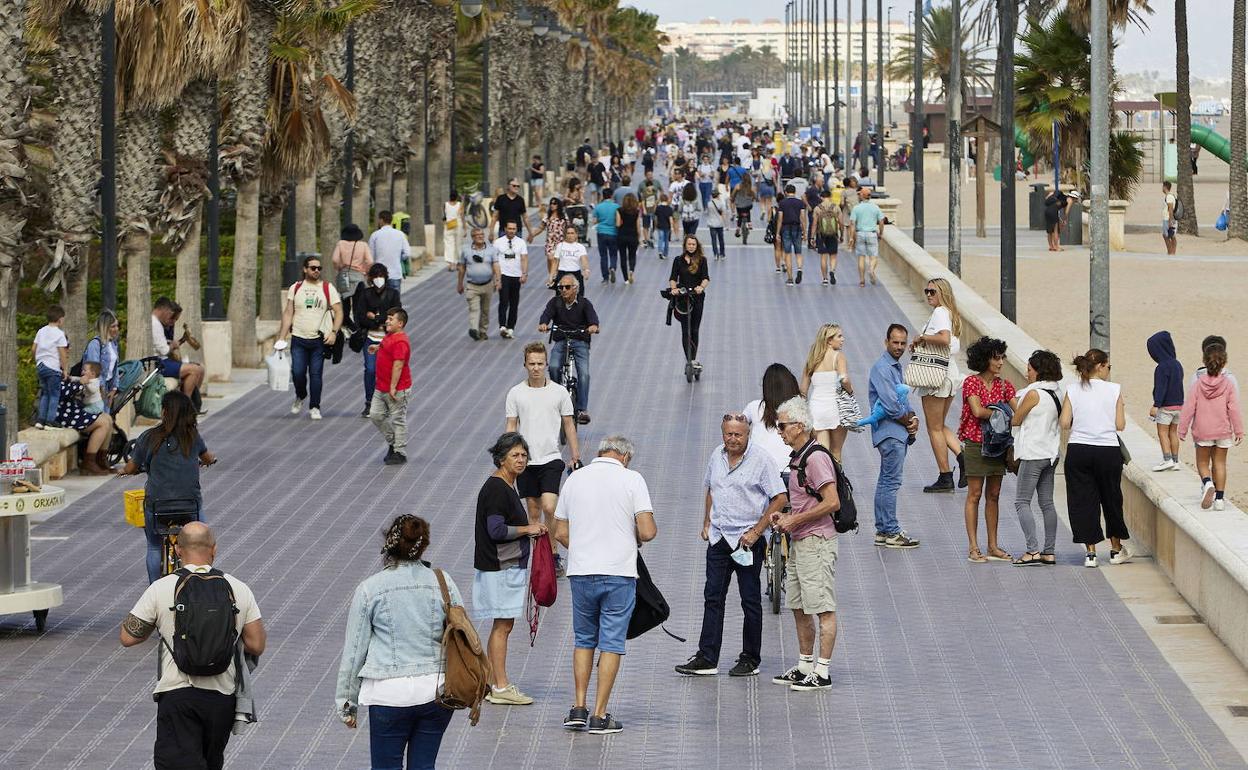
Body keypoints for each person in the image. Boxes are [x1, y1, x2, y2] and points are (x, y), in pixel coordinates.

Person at [121, 522, 264, 770]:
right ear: (214, 549)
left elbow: (128, 637)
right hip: (222, 696)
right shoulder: (238, 588)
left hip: (178, 693)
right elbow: (257, 644)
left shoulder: (161, 588)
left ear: (177, 550)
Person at [335, 515, 459, 769]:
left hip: (388, 695)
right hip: (436, 691)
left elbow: (354, 651)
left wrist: (347, 703)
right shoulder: (443, 582)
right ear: (423, 545)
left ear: (390, 543)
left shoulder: (370, 589)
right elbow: (461, 635)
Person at [554, 436, 657, 735]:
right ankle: (599, 715)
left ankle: (578, 707)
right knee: (611, 641)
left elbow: (559, 530)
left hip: (582, 572)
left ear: (600, 452)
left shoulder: (575, 479)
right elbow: (648, 531)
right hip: (618, 574)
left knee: (584, 638)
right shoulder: (632, 479)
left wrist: (586, 547)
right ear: (625, 457)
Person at [675, 413, 786, 678]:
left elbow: (780, 497)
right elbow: (711, 489)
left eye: (738, 434)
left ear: (748, 435)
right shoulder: (717, 455)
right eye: (729, 434)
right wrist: (706, 522)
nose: (733, 439)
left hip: (747, 541)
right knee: (712, 597)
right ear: (722, 433)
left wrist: (758, 531)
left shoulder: (761, 460)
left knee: (750, 601)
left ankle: (750, 658)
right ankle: (707, 656)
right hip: (719, 539)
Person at [769, 397, 840, 692]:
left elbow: (832, 502)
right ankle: (804, 666)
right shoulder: (798, 457)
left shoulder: (816, 458)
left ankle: (822, 671)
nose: (779, 431)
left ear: (799, 426)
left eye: (782, 425)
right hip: (800, 540)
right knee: (798, 605)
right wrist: (786, 517)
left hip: (817, 541)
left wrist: (795, 521)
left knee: (822, 606)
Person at [474, 433, 548, 706]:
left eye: (524, 455)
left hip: (503, 565)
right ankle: (501, 686)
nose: (521, 460)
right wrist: (527, 528)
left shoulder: (506, 485)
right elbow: (495, 530)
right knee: (503, 626)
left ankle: (495, 682)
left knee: (501, 624)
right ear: (501, 458)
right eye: (515, 455)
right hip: (501, 565)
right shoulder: (497, 488)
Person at [123, 391, 217, 583]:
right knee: (204, 537)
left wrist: (127, 471)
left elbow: (130, 467)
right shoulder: (192, 437)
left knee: (154, 546)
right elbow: (208, 457)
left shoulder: (149, 437)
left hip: (158, 507)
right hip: (190, 506)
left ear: (164, 411)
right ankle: (202, 579)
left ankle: (154, 590)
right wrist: (210, 460)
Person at [506, 342, 582, 578]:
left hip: (551, 458)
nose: (536, 368)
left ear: (547, 364)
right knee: (534, 511)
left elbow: (569, 424)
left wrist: (575, 455)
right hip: (526, 461)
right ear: (525, 365)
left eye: (540, 363)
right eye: (532, 364)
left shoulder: (559, 392)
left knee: (550, 506)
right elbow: (511, 426)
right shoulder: (516, 393)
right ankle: (542, 558)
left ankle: (554, 552)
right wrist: (506, 458)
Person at [1061, 349, 1130, 568]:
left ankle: (1090, 553)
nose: (1109, 371)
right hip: (1107, 450)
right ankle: (1115, 549)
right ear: (1100, 366)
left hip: (1078, 449)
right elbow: (1120, 425)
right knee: (1111, 498)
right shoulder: (1114, 389)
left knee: (1083, 500)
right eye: (1108, 366)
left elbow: (1064, 422)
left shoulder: (1072, 389)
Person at [957, 336, 1017, 563]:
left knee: (994, 495)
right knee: (974, 494)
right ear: (985, 360)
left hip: (997, 445)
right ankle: (973, 547)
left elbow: (1018, 410)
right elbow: (977, 411)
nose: (1001, 363)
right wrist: (1002, 413)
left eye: (1002, 357)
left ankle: (992, 545)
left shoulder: (1005, 385)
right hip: (975, 443)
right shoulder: (972, 382)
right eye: (996, 358)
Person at [868, 324, 922, 548]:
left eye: (902, 343)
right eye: (895, 342)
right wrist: (908, 420)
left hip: (893, 433)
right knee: (891, 482)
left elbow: (901, 399)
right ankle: (891, 531)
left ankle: (882, 530)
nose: (899, 347)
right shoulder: (882, 368)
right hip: (891, 435)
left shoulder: (894, 367)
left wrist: (913, 417)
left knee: (885, 481)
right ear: (886, 341)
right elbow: (891, 405)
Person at [1010, 350, 1063, 566]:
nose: (1027, 373)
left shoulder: (1033, 394)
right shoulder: (1058, 392)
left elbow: (1016, 420)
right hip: (1051, 453)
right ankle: (1049, 551)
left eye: (1030, 369)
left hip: (1033, 453)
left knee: (1022, 502)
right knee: (1047, 503)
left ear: (1039, 371)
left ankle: (1032, 550)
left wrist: (1012, 401)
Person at [913, 278, 966, 492]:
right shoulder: (950, 314)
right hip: (948, 372)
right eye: (926, 291)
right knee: (940, 425)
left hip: (936, 374)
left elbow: (943, 339)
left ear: (942, 292)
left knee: (933, 427)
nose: (928, 295)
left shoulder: (940, 313)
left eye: (932, 291)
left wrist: (921, 337)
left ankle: (945, 475)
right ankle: (963, 460)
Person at [275, 255, 343, 420]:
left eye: (319, 268)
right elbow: (288, 312)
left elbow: (339, 311)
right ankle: (301, 395)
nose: (316, 271)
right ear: (305, 269)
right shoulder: (296, 288)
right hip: (298, 338)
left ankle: (315, 406)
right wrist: (282, 337)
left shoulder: (327, 288)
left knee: (316, 374)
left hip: (318, 340)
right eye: (313, 268)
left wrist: (334, 332)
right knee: (297, 372)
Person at [1179, 343, 1243, 511]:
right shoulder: (1228, 384)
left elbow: (1188, 408)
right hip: (1223, 430)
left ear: (1204, 361)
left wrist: (1182, 429)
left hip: (1203, 431)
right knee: (1220, 463)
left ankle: (1207, 483)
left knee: (1202, 463)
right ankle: (1220, 500)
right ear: (1224, 363)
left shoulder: (1198, 384)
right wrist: (1239, 430)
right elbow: (1234, 408)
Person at [539, 279, 600, 424]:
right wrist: (543, 324)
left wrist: (593, 326)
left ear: (575, 288)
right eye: (561, 287)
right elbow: (546, 314)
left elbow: (593, 319)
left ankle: (582, 410)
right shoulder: (555, 302)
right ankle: (556, 400)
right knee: (553, 367)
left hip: (580, 341)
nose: (563, 290)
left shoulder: (584, 303)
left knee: (584, 374)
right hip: (561, 340)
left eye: (567, 287)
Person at [354, 263, 402, 417]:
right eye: (375, 276)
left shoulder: (393, 294)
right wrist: (380, 320)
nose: (378, 279)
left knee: (387, 372)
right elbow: (360, 317)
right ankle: (369, 403)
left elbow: (396, 316)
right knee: (370, 370)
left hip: (389, 340)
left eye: (381, 276)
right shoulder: (365, 294)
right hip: (370, 338)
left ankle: (387, 403)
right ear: (370, 278)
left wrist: (374, 317)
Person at [801, 323, 854, 460]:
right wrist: (850, 391)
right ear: (829, 340)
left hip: (817, 409)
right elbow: (844, 379)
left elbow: (803, 391)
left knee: (822, 453)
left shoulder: (812, 360)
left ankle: (823, 478)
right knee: (836, 452)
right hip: (835, 409)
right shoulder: (838, 356)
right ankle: (837, 480)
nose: (843, 339)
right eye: (839, 336)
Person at [366, 308, 412, 466]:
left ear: (400, 323)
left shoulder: (401, 341)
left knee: (398, 419)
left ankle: (400, 452)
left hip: (397, 389)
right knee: (375, 415)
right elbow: (387, 348)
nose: (387, 321)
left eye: (391, 319)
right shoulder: (390, 336)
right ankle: (393, 442)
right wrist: (377, 348)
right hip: (381, 386)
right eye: (388, 318)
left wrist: (393, 387)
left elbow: (398, 365)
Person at [744, 363, 803, 479]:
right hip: (792, 471)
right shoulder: (800, 408)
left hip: (761, 472)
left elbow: (737, 427)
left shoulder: (754, 407)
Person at [152, 297, 206, 401]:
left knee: (200, 369)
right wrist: (173, 345)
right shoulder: (155, 324)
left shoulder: (159, 324)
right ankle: (186, 406)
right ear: (163, 310)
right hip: (160, 363)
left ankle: (193, 403)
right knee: (195, 370)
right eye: (169, 314)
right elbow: (165, 350)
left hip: (164, 361)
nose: (172, 320)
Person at [669, 235, 710, 372]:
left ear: (696, 246)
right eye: (689, 244)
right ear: (685, 245)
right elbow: (673, 277)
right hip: (683, 299)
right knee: (685, 330)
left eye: (693, 244)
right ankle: (689, 360)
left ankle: (693, 357)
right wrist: (674, 289)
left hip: (697, 298)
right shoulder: (678, 260)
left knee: (694, 329)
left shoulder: (702, 260)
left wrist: (701, 287)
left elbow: (705, 278)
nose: (691, 246)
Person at [1147, 331, 1186, 471]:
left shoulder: (1161, 367)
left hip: (1166, 407)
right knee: (1173, 433)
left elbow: (1161, 388)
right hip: (1179, 406)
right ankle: (1176, 461)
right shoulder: (1177, 364)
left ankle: (1167, 459)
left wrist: (1156, 405)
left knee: (1162, 432)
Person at [456, 227, 501, 342]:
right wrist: (460, 283)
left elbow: (496, 265)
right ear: (472, 238)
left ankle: (483, 331)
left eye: (481, 234)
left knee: (485, 310)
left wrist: (498, 280)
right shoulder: (466, 250)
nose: (480, 237)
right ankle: (474, 329)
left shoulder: (491, 250)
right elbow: (461, 268)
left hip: (488, 284)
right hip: (472, 285)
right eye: (477, 235)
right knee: (474, 308)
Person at [33, 305, 69, 429]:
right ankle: (50, 420)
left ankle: (40, 420)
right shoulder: (60, 334)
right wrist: (65, 369)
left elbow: (33, 349)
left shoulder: (41, 331)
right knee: (54, 394)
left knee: (45, 393)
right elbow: (62, 353)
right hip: (53, 367)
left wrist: (38, 360)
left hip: (41, 366)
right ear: (59, 319)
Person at [493, 220, 529, 339]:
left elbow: (524, 258)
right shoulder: (498, 242)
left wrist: (524, 273)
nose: (511, 231)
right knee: (503, 300)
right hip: (503, 274)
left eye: (514, 229)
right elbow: (494, 260)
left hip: (516, 275)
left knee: (514, 303)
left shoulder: (521, 243)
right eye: (509, 228)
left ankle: (511, 327)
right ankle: (502, 326)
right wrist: (496, 277)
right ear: (505, 229)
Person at [331, 223, 373, 324]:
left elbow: (335, 259)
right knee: (358, 305)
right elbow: (370, 261)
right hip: (359, 277)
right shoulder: (363, 245)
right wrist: (365, 271)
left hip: (344, 276)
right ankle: (358, 328)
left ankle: (347, 326)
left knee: (345, 304)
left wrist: (340, 267)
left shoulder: (340, 243)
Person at [81, 309, 122, 409]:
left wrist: (114, 388)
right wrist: (101, 389)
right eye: (113, 326)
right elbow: (92, 370)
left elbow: (115, 368)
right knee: (100, 418)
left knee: (106, 418)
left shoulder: (113, 344)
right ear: (105, 327)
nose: (116, 329)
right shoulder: (95, 344)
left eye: (117, 325)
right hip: (96, 389)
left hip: (108, 387)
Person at [847, 186, 885, 287]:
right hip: (872, 233)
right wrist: (881, 232)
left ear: (862, 196)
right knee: (873, 256)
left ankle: (862, 281)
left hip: (860, 234)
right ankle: (871, 269)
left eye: (859, 194)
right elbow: (881, 221)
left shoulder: (856, 208)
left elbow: (852, 224)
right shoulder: (875, 207)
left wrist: (851, 237)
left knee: (861, 257)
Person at [368, 210, 410, 290]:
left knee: (380, 300)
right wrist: (398, 258)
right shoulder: (400, 234)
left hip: (378, 275)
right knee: (394, 300)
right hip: (395, 273)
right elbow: (407, 253)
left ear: (381, 220)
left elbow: (370, 257)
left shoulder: (375, 235)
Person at [777, 183, 807, 286]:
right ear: (795, 192)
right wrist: (805, 231)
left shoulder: (782, 203)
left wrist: (777, 232)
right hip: (797, 228)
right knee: (798, 252)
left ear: (785, 192)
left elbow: (780, 218)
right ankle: (799, 269)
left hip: (785, 228)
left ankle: (790, 278)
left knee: (788, 253)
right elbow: (802, 217)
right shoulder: (800, 203)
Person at [533, 197, 569, 280]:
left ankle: (556, 276)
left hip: (561, 242)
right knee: (550, 258)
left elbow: (568, 228)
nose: (552, 205)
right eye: (551, 203)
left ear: (558, 205)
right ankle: (551, 275)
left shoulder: (563, 216)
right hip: (550, 242)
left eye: (554, 203)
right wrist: (532, 235)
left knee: (558, 260)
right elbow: (541, 228)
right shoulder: (547, 216)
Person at [551, 224, 591, 297]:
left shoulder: (580, 247)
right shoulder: (560, 246)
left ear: (576, 235)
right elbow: (555, 262)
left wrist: (586, 270)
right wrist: (551, 276)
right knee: (560, 297)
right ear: (565, 235)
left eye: (572, 233)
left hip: (576, 273)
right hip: (562, 273)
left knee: (579, 297)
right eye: (568, 233)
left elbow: (584, 259)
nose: (570, 235)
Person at [811, 189, 840, 285]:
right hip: (833, 234)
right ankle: (832, 270)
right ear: (830, 197)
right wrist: (841, 233)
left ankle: (825, 279)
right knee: (833, 255)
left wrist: (812, 237)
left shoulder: (817, 208)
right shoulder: (835, 207)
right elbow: (841, 222)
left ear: (821, 197)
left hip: (821, 235)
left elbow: (814, 224)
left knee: (823, 257)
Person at [593, 189, 621, 284]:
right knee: (613, 253)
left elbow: (594, 221)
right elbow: (619, 221)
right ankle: (612, 267)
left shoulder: (598, 207)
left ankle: (605, 278)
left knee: (603, 255)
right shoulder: (617, 207)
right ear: (611, 195)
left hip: (601, 232)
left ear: (603, 196)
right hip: (613, 232)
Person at [615, 193, 642, 284]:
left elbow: (618, 224)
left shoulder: (619, 210)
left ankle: (625, 279)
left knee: (622, 257)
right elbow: (638, 226)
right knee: (632, 255)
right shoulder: (636, 212)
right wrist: (639, 237)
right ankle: (631, 270)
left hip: (622, 235)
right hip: (633, 236)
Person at [1043, 187, 1071, 252]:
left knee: (1049, 230)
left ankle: (1051, 246)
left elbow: (1046, 200)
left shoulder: (1053, 197)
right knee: (1055, 230)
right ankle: (1056, 247)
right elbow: (1066, 212)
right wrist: (1064, 220)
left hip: (1047, 211)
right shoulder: (1068, 200)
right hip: (1053, 212)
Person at [638, 170, 660, 248]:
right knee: (645, 225)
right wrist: (643, 209)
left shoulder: (654, 192)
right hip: (646, 210)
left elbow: (656, 199)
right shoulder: (644, 193)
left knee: (655, 222)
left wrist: (656, 206)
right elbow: (643, 201)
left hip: (653, 209)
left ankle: (651, 234)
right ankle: (647, 239)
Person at [705, 187, 728, 261]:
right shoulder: (721, 203)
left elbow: (707, 213)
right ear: (718, 195)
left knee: (713, 240)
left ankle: (715, 254)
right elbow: (724, 214)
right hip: (720, 223)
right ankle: (722, 254)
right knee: (721, 239)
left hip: (712, 224)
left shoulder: (709, 204)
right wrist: (726, 224)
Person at [443, 190, 463, 271]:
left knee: (449, 244)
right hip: (458, 224)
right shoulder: (460, 204)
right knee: (458, 244)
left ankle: (451, 264)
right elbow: (462, 216)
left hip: (448, 225)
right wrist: (465, 227)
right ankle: (458, 263)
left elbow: (444, 215)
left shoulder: (445, 204)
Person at [731, 175, 755, 240]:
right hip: (748, 205)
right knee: (748, 210)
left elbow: (733, 195)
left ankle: (738, 228)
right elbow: (754, 196)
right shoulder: (751, 187)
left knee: (740, 215)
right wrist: (751, 200)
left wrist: (732, 200)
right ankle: (749, 223)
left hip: (739, 206)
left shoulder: (738, 186)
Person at [653, 193, 674, 259]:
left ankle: (660, 251)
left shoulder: (658, 208)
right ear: (667, 200)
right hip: (667, 226)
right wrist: (672, 227)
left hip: (660, 225)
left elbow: (656, 217)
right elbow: (670, 219)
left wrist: (655, 225)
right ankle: (665, 253)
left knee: (660, 238)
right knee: (666, 240)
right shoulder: (669, 209)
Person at [1162, 180, 1178, 255]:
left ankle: (1171, 251)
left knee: (1166, 235)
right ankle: (1172, 252)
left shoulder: (1169, 197)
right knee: (1171, 235)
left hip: (1168, 218)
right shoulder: (1171, 196)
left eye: (1163, 186)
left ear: (1165, 187)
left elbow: (1170, 209)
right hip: (1170, 218)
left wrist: (1170, 221)